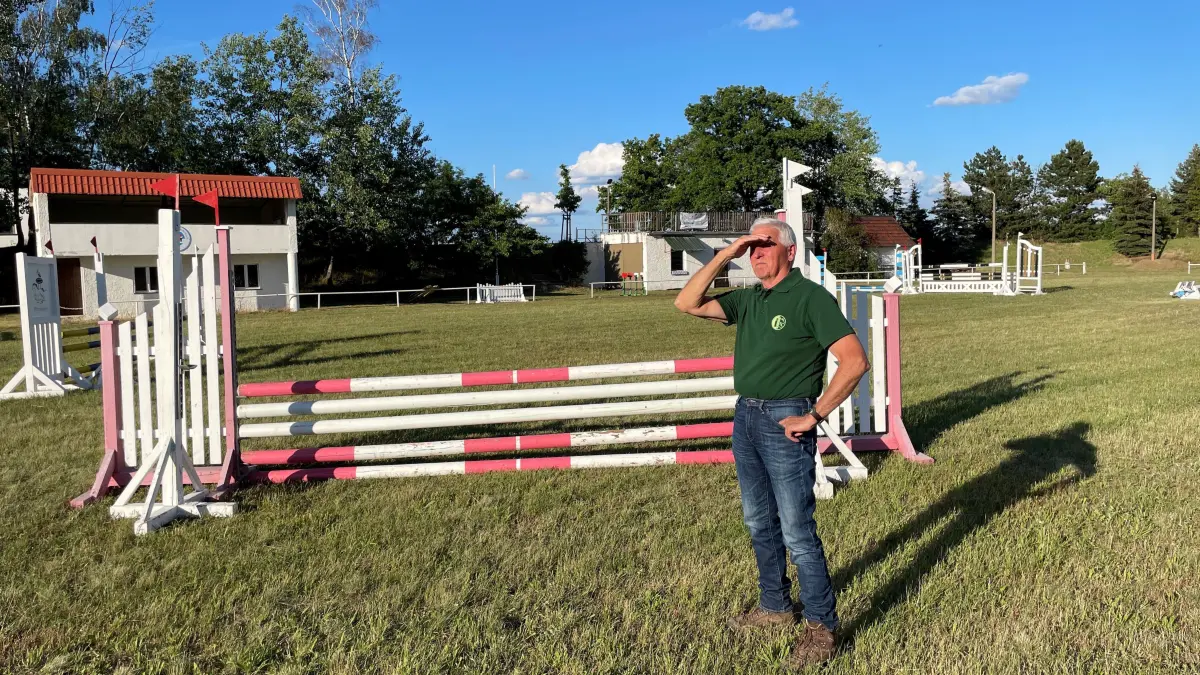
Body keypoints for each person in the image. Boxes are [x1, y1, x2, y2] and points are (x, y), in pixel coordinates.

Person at [673, 217, 869, 669]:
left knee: (797, 530)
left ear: (790, 252)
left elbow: (855, 362)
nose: (755, 254)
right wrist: (726, 252)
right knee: (758, 521)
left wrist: (815, 414)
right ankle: (775, 607)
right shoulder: (749, 299)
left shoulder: (809, 298)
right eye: (751, 248)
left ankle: (821, 626)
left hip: (786, 418)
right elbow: (687, 302)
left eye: (764, 245)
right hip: (746, 416)